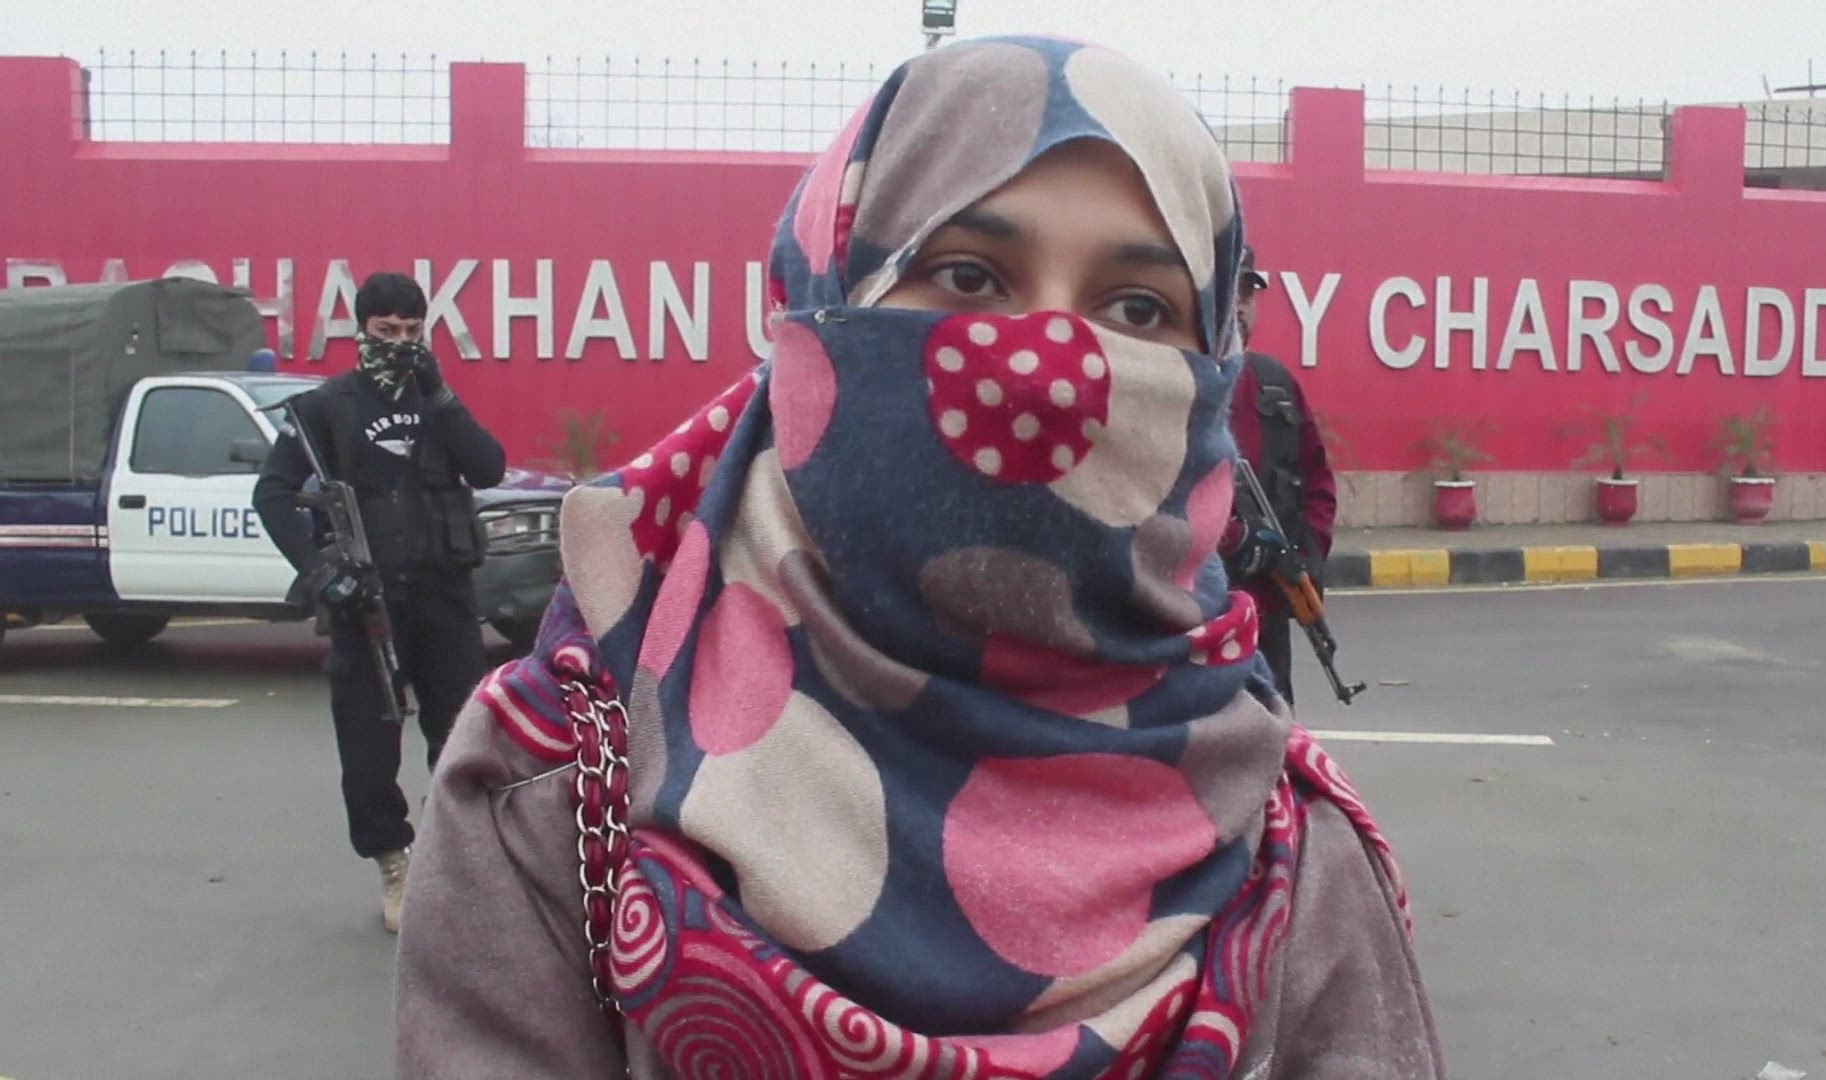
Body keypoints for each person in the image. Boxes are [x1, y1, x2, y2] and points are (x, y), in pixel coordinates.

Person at [396, 36, 1443, 1079]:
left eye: (1137, 308)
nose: (1046, 369)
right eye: (968, 275)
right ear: (823, 307)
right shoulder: (557, 780)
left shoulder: (1282, 850)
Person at [253, 271, 506, 933]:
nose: (400, 341)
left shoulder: (435, 401)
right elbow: (272, 494)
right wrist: (320, 572)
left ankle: (455, 857)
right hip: (365, 605)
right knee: (368, 749)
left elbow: (489, 468)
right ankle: (394, 862)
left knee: (462, 738)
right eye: (386, 330)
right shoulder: (325, 407)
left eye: (412, 330)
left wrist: (441, 396)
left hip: (443, 598)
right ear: (361, 330)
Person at [1222, 249, 1339, 706]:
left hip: (1265, 614)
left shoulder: (1275, 383)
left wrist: (1301, 558)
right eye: (1228, 290)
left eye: (1247, 293)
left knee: (1276, 724)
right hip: (1190, 615)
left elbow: (1317, 483)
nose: (1238, 305)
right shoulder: (1170, 384)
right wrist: (1234, 541)